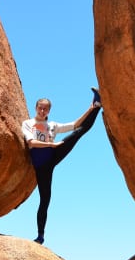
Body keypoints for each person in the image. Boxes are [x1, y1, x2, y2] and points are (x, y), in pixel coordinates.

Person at [22, 87, 102, 244]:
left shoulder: (52, 125)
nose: (42, 110)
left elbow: (75, 124)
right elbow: (31, 143)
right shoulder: (28, 123)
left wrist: (90, 109)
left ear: (49, 110)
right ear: (36, 108)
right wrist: (51, 145)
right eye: (40, 107)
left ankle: (97, 104)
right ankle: (40, 236)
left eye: (46, 108)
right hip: (41, 164)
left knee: (79, 132)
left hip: (53, 155)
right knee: (45, 200)